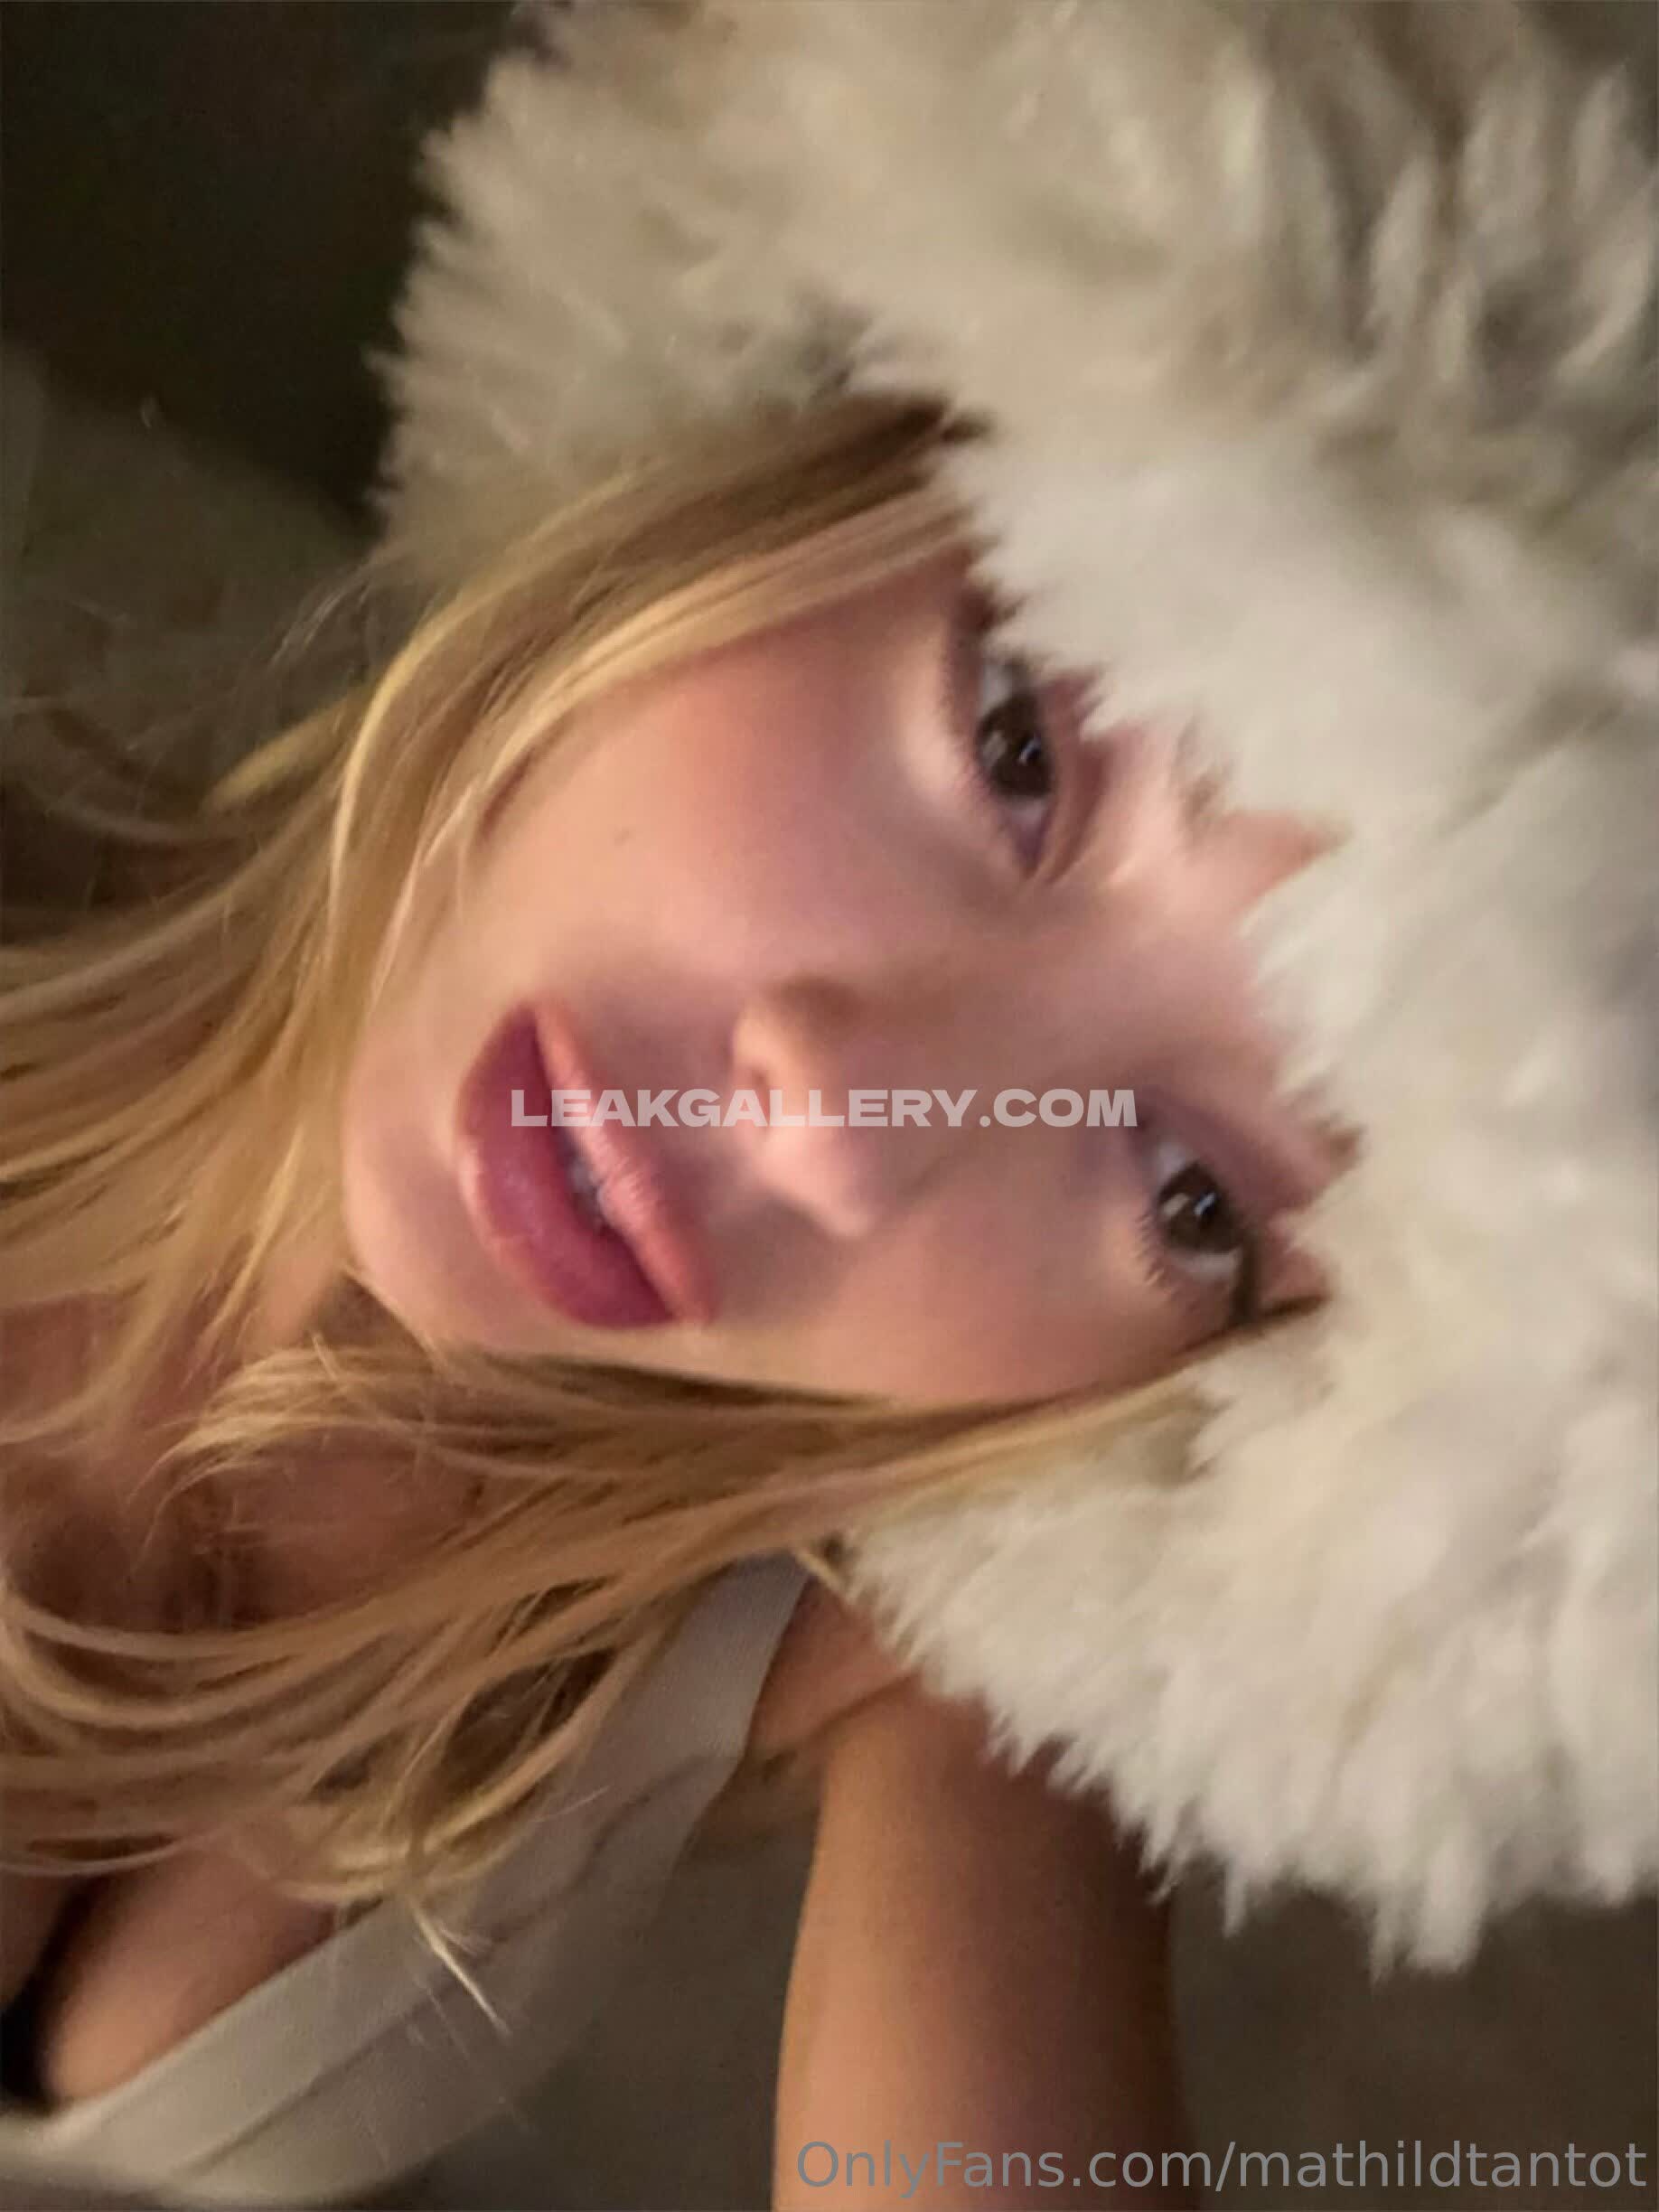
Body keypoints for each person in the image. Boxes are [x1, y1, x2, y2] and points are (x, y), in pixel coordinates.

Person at [0, 377, 1338, 2206]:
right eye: (1018, 748)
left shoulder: (929, 1651)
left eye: (1192, 1199)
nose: (840, 1116)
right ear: (829, 478)